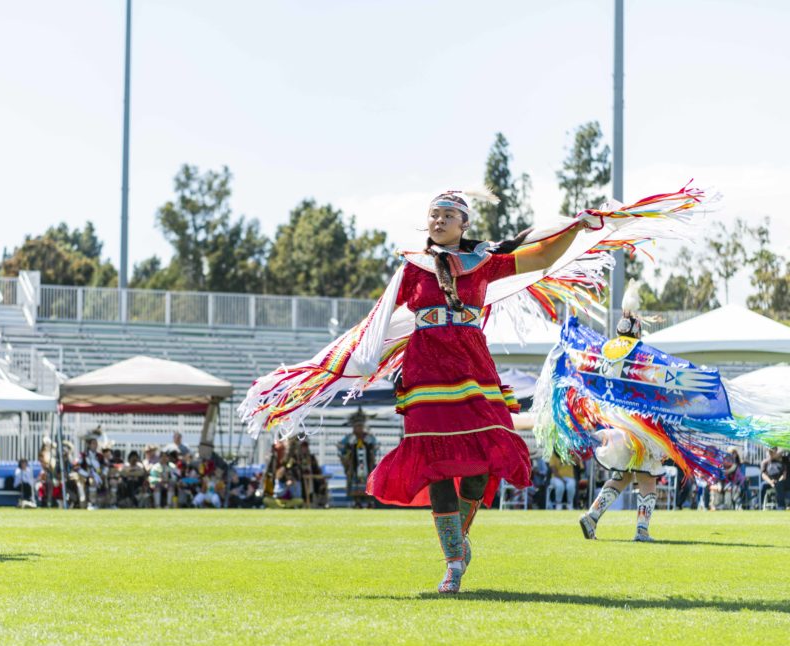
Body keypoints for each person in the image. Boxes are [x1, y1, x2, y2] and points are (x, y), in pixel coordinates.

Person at [242, 185, 713, 593]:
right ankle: (452, 561)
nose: (438, 220)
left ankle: (459, 541)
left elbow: (542, 255)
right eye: (433, 214)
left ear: (464, 222)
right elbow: (385, 321)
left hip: (471, 364)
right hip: (426, 369)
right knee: (437, 466)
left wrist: (578, 228)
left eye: (448, 214)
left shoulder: (483, 263)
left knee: (478, 464)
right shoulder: (412, 268)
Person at [537, 308, 788, 542]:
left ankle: (591, 517)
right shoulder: (642, 354)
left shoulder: (603, 350)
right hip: (644, 426)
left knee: (621, 475)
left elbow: (581, 354)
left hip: (619, 425)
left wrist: (572, 328)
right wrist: (703, 380)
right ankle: (641, 530)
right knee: (647, 477)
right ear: (636, 331)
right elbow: (671, 371)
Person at [338, 412, 378, 509]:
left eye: (361, 426)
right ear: (353, 427)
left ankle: (369, 502)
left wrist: (371, 448)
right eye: (357, 426)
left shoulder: (369, 437)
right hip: (354, 466)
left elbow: (375, 448)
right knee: (355, 482)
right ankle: (357, 502)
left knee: (368, 482)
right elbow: (341, 448)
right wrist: (347, 451)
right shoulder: (349, 438)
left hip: (367, 465)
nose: (359, 428)